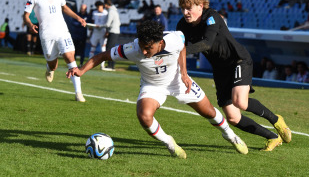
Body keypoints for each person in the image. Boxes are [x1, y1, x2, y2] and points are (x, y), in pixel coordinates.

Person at [66, 20, 248, 158]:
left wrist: (184, 73)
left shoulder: (174, 38)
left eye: (148, 48)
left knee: (209, 112)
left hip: (177, 81)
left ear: (160, 42)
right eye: (142, 48)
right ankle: (169, 143)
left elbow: (182, 46)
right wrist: (81, 70)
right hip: (152, 85)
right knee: (144, 115)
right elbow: (103, 55)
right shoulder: (133, 48)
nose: (143, 52)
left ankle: (230, 135)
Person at [176, 0, 291, 152]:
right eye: (183, 8)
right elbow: (177, 46)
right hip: (220, 69)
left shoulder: (212, 17)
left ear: (201, 6)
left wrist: (182, 51)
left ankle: (276, 119)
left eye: (189, 8)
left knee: (240, 102)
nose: (186, 12)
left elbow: (206, 43)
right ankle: (273, 137)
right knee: (232, 117)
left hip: (238, 60)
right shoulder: (182, 25)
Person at [23, 0, 87, 102]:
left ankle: (78, 93)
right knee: (53, 65)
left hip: (62, 32)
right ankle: (49, 68)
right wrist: (30, 24)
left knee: (70, 57)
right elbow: (26, 15)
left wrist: (78, 18)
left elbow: (64, 8)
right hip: (46, 34)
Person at [89, 1, 108, 70]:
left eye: (99, 6)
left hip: (102, 32)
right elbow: (93, 21)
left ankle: (102, 65)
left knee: (103, 48)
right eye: (97, 7)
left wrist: (107, 32)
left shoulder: (106, 13)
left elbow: (107, 23)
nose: (98, 8)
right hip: (95, 32)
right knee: (92, 48)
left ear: (102, 6)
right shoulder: (94, 12)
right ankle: (89, 63)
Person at [103, 0, 121, 71]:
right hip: (115, 31)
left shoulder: (111, 11)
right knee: (111, 48)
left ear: (106, 4)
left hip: (113, 31)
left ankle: (111, 65)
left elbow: (108, 23)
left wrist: (100, 26)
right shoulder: (114, 11)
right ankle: (111, 65)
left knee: (109, 49)